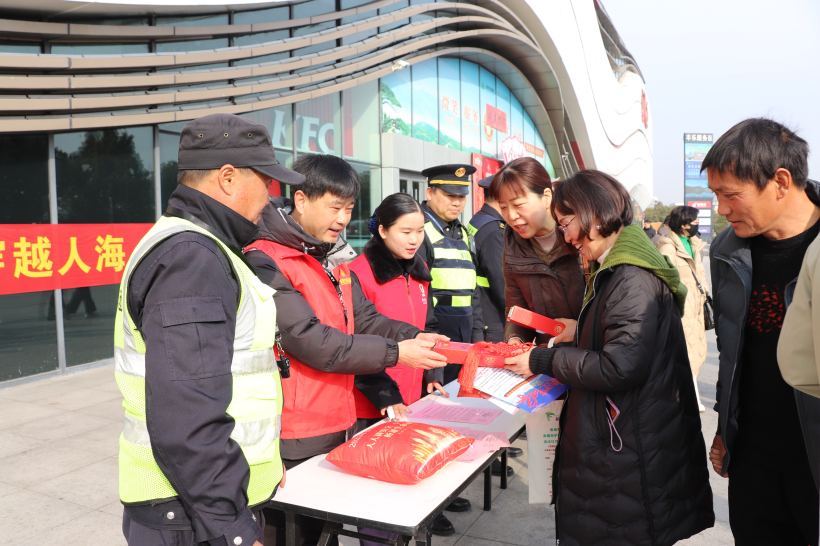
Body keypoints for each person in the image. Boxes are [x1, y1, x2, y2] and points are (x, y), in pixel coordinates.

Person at [116, 113, 305, 546]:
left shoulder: (208, 247)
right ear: (227, 177)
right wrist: (233, 528)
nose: (272, 195)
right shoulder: (192, 258)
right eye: (266, 180)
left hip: (193, 506)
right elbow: (187, 413)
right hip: (189, 516)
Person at [244, 154, 448, 546]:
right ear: (301, 200)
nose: (342, 219)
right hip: (295, 430)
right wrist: (396, 353)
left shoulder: (328, 256)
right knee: (292, 535)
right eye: (334, 207)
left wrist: (414, 335)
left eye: (349, 208)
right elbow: (311, 341)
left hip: (338, 420)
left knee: (325, 536)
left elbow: (365, 319)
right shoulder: (267, 259)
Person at [504, 169, 714, 545]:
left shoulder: (630, 277)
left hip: (627, 446)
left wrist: (541, 360)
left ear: (595, 216)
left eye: (567, 223)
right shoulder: (618, 268)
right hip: (626, 438)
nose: (567, 237)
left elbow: (618, 366)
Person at [705, 118, 820, 545]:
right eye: (716, 195)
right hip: (754, 460)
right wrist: (725, 426)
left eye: (731, 194)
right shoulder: (727, 251)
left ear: (781, 182)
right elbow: (732, 352)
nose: (722, 209)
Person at [350, 193, 453, 545]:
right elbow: (356, 339)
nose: (414, 239)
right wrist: (385, 394)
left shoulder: (419, 269)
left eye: (420, 231)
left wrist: (433, 375)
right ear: (381, 230)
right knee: (378, 502)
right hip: (374, 403)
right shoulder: (358, 273)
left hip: (413, 401)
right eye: (405, 231)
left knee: (412, 489)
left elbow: (429, 324)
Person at [488, 157, 585, 346]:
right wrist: (514, 339)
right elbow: (516, 312)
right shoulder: (512, 248)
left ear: (546, 197)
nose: (512, 216)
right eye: (503, 208)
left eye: (518, 205)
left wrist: (583, 329)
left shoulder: (581, 233)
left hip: (590, 350)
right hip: (547, 355)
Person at [417, 164, 485, 382]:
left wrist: (477, 339)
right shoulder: (418, 230)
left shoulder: (463, 233)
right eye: (449, 195)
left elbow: (473, 292)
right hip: (433, 335)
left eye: (462, 197)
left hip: (464, 335)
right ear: (430, 192)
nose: (457, 203)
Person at [656, 206, 709, 412]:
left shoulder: (693, 244)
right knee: (686, 353)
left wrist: (703, 294)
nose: (698, 225)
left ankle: (690, 395)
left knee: (695, 353)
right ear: (684, 224)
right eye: (695, 221)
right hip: (682, 309)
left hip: (696, 308)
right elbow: (666, 280)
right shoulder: (667, 247)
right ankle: (690, 397)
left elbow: (700, 273)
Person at [466, 175, 507, 343]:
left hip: (481, 314)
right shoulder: (495, 230)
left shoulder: (478, 219)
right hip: (493, 320)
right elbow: (502, 282)